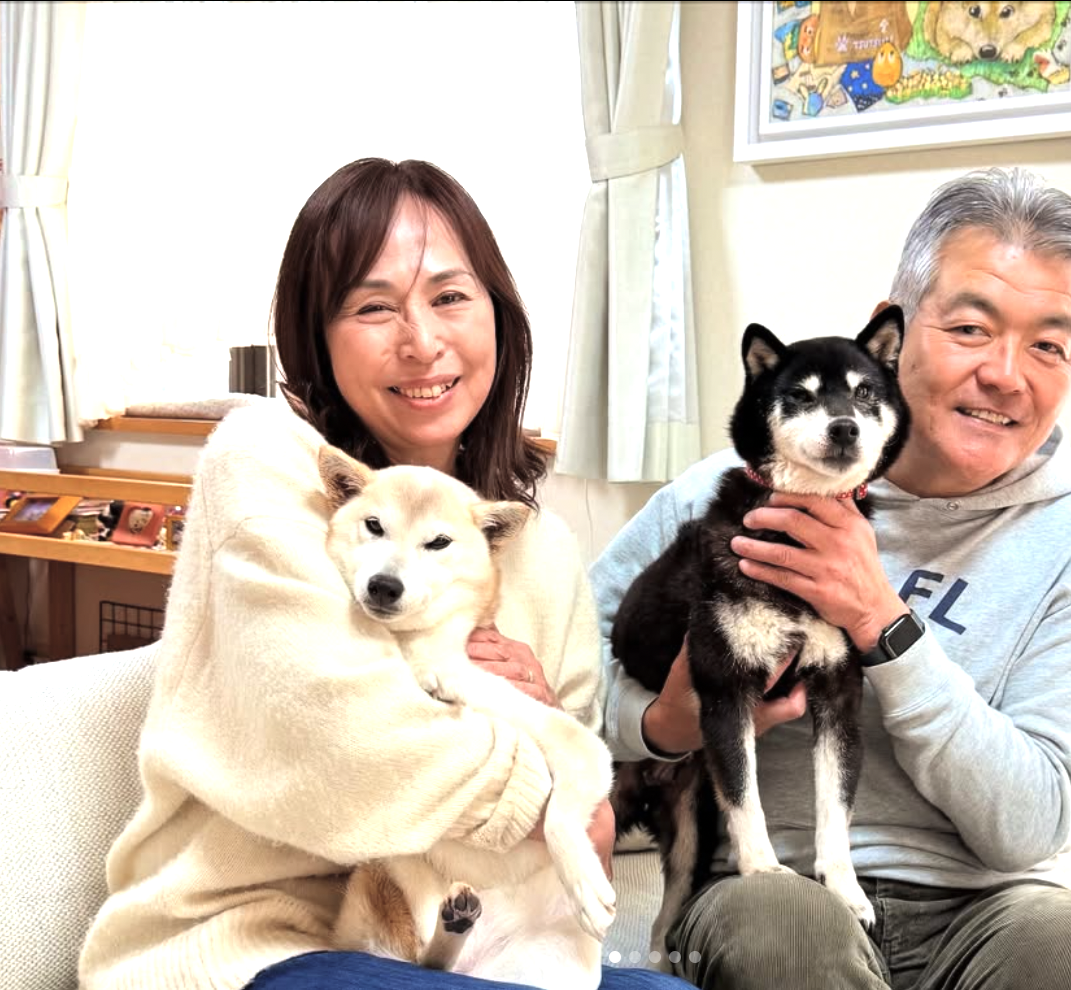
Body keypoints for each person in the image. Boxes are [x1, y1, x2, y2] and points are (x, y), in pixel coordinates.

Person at [77, 158, 688, 990]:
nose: (422, 341)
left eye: (450, 296)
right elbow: (345, 751)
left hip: (472, 947)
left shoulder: (539, 549)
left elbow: (587, 849)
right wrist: (543, 769)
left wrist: (563, 771)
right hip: (253, 942)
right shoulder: (269, 468)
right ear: (317, 337)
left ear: (498, 318)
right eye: (373, 307)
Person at [592, 167, 1071, 990]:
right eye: (971, 328)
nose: (1007, 373)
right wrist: (657, 723)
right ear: (890, 336)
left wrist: (881, 620)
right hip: (777, 890)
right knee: (780, 937)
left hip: (998, 905)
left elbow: (1032, 824)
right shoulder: (722, 500)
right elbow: (561, 661)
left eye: (1048, 345)